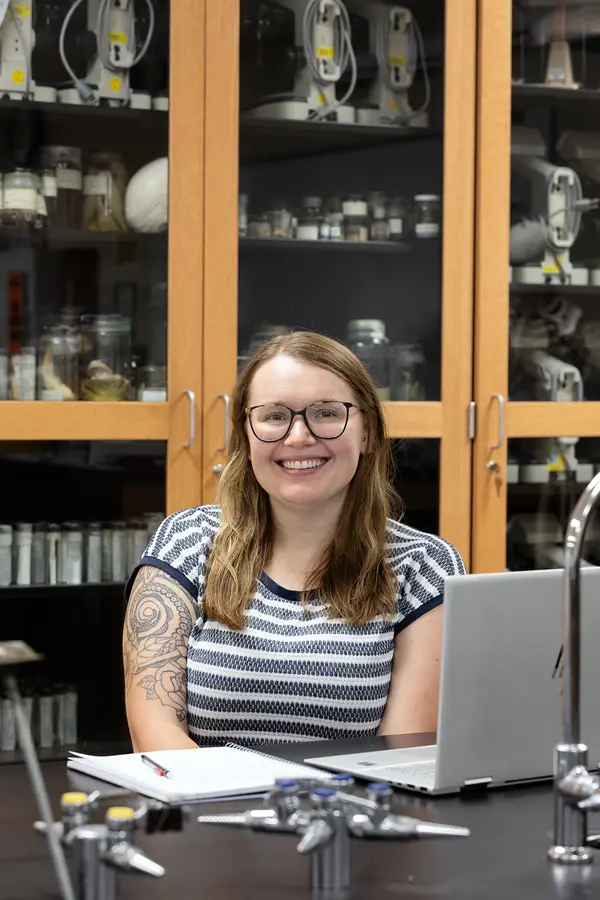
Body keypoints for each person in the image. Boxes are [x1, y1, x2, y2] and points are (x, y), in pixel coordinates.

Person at [123, 331, 465, 752]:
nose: (299, 436)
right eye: (274, 416)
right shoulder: (184, 543)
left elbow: (400, 757)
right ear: (245, 438)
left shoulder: (425, 567)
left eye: (326, 413)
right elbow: (153, 733)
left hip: (351, 815)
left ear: (370, 432)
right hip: (207, 811)